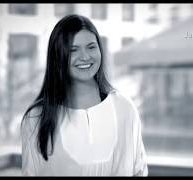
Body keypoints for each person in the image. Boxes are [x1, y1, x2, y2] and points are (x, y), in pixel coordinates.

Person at [21, 14, 148, 176]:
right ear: (58, 56)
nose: (85, 56)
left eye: (91, 47)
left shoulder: (125, 109)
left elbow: (139, 170)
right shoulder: (36, 118)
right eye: (73, 50)